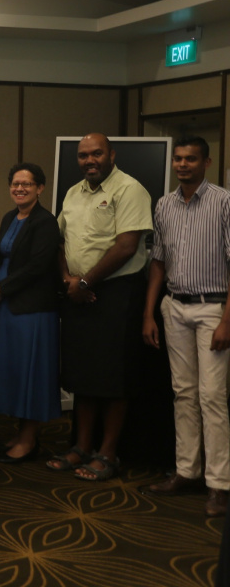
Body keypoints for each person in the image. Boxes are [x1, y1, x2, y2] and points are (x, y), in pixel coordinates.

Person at [51, 133, 152, 482]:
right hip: (78, 291)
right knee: (83, 375)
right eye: (83, 156)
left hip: (116, 293)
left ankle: (108, 452)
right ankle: (81, 446)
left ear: (111, 154)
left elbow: (126, 247)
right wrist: (68, 280)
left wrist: (85, 282)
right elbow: (59, 240)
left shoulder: (129, 189)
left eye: (96, 154)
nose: (88, 161)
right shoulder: (73, 192)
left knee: (113, 377)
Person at [142, 136, 230, 518]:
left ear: (206, 162)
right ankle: (186, 471)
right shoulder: (164, 204)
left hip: (214, 308)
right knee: (183, 393)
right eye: (178, 158)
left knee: (212, 397)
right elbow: (158, 262)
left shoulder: (224, 202)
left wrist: (228, 318)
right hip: (174, 306)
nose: (182, 164)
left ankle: (219, 484)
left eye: (190, 159)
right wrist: (149, 313)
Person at [0, 163, 62, 464]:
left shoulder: (46, 222)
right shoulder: (8, 217)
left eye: (27, 184)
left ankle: (29, 438)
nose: (20, 189)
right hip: (4, 305)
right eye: (15, 184)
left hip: (32, 309)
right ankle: (20, 431)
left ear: (40, 188)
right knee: (13, 371)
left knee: (32, 373)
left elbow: (38, 266)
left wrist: (1, 286)